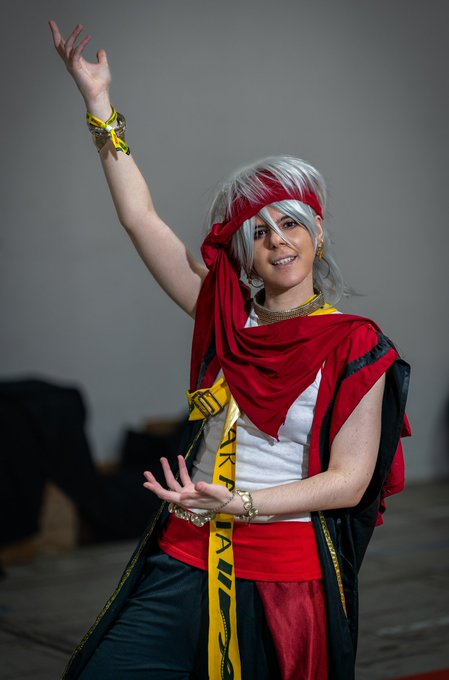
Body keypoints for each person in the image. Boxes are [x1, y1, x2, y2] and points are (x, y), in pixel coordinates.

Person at [49, 20, 411, 680]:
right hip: (187, 548)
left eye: (290, 222)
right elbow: (141, 220)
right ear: (243, 253)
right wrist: (98, 104)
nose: (278, 240)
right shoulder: (223, 319)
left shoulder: (354, 342)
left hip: (283, 573)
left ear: (317, 235)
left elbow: (349, 482)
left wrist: (241, 505)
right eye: (258, 231)